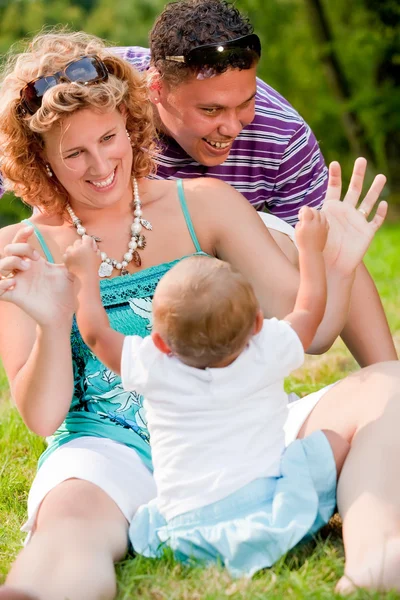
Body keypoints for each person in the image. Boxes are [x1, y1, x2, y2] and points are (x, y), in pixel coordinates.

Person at [0, 29, 398, 600]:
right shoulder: (20, 252)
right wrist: (48, 321)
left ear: (131, 125)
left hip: (242, 420)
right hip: (111, 450)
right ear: (41, 160)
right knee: (68, 521)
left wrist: (332, 266)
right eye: (74, 152)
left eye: (109, 138)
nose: (100, 165)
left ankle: (379, 557)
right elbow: (42, 417)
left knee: (388, 386)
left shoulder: (204, 203)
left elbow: (305, 331)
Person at [63, 209, 350, 578]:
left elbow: (96, 335)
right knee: (329, 440)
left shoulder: (156, 367)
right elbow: (309, 310)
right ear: (258, 324)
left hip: (184, 530)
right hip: (265, 510)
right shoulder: (267, 350)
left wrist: (86, 274)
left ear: (159, 343)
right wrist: (310, 249)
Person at [112, 0, 397, 368]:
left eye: (246, 103)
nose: (232, 127)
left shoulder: (282, 138)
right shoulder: (101, 88)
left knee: (276, 234)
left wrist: (388, 377)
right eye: (211, 110)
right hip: (109, 271)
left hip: (206, 295)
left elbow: (332, 256)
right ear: (156, 89)